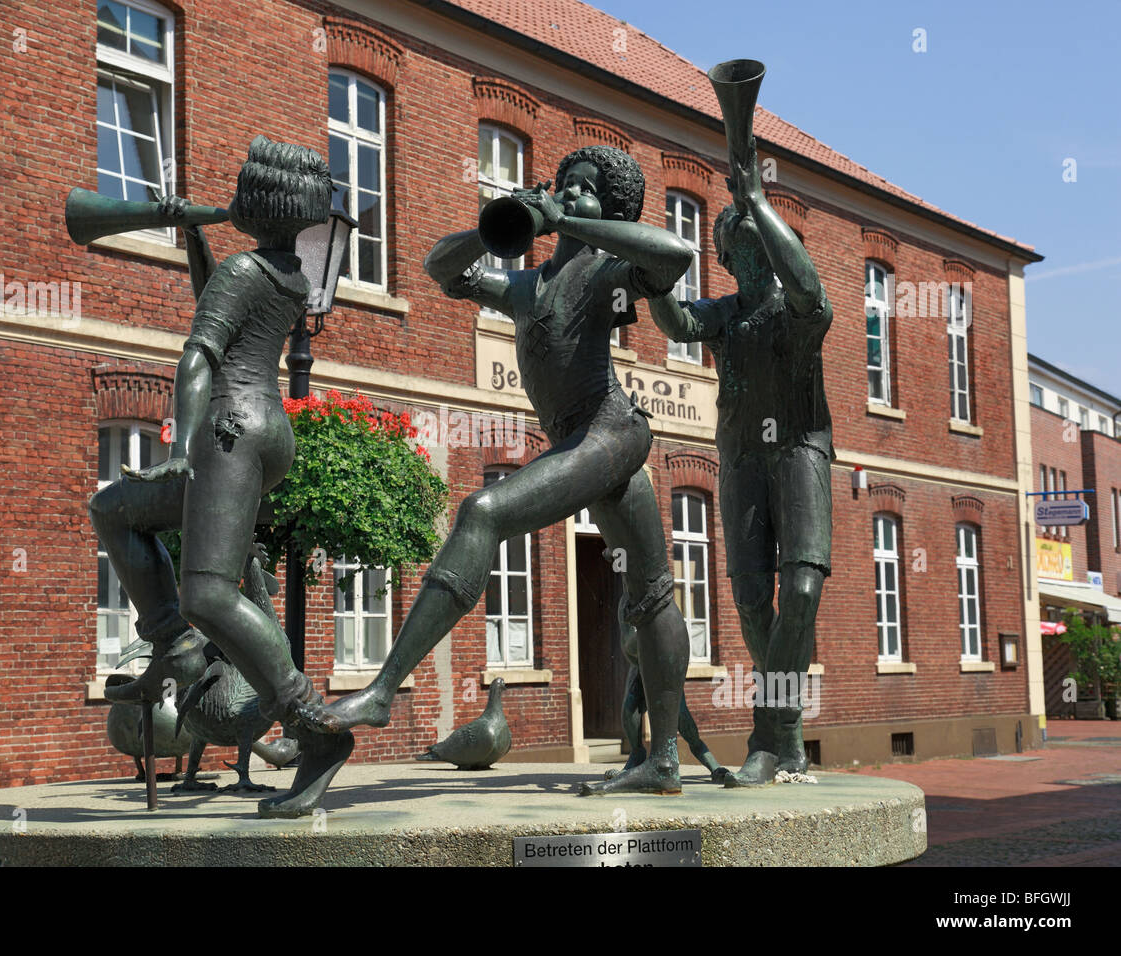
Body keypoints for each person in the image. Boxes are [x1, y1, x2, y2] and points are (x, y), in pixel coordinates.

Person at [300, 144, 703, 796]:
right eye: (563, 187)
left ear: (614, 211)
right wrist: (498, 224)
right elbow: (441, 269)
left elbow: (674, 254)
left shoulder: (607, 272)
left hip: (612, 433)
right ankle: (662, 761)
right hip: (584, 443)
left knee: (481, 511)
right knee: (652, 593)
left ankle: (379, 690)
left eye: (585, 190)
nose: (569, 196)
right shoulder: (527, 287)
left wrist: (568, 223)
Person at [88, 135, 353, 817]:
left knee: (208, 593)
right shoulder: (284, 272)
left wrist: (181, 442)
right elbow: (221, 297)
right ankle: (172, 644)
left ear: (256, 200)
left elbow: (198, 355)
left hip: (227, 428)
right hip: (267, 430)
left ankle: (312, 728)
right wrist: (194, 241)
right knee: (117, 508)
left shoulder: (247, 272)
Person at [646, 144, 833, 787]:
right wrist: (651, 268)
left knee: (802, 590)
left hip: (801, 451)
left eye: (759, 236)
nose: (750, 246)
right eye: (737, 240)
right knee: (753, 602)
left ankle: (768, 733)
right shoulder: (724, 315)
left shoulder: (798, 308)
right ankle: (790, 738)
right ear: (724, 258)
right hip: (741, 458)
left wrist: (754, 197)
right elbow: (674, 324)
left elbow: (809, 286)